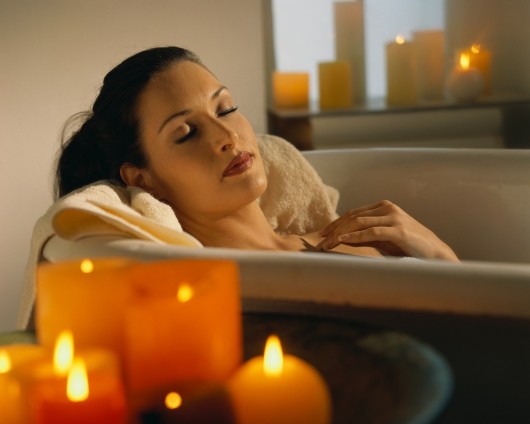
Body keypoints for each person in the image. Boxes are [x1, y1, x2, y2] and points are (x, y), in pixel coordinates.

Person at [56, 46, 459, 262]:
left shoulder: (352, 237)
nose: (227, 135)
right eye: (186, 133)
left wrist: (439, 253)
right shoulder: (216, 285)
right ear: (143, 179)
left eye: (225, 108)